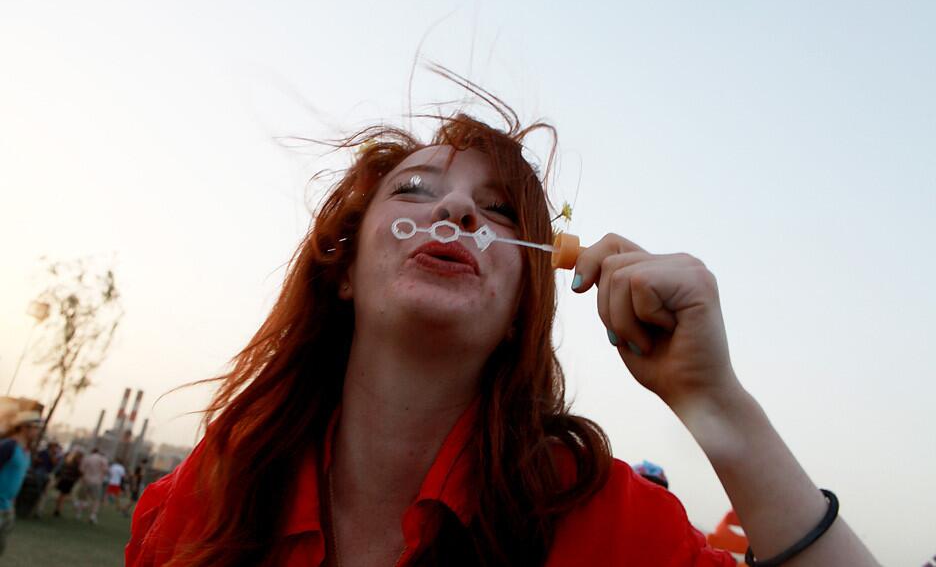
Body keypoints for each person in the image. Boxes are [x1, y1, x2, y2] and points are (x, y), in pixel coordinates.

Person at [127, 77, 879, 566]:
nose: (454, 211)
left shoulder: (611, 525)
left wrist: (715, 401)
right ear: (346, 272)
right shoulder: (200, 506)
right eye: (416, 189)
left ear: (524, 302)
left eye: (496, 210)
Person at [0, 410, 42, 556]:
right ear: (24, 427)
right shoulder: (7, 446)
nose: (37, 431)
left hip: (8, 508)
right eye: (35, 427)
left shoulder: (26, 451)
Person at [76, 447, 108, 524]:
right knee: (96, 499)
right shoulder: (102, 459)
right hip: (96, 481)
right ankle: (92, 515)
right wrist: (101, 477)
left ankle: (79, 513)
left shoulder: (87, 458)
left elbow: (81, 469)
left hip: (86, 480)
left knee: (82, 497)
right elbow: (105, 470)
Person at [52, 448, 84, 517]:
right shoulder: (77, 463)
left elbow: (61, 468)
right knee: (63, 495)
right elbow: (79, 472)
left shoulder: (67, 460)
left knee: (62, 495)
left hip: (64, 478)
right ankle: (58, 509)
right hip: (69, 480)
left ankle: (57, 508)